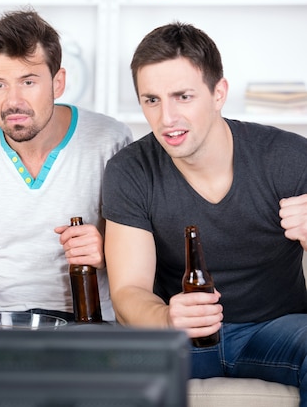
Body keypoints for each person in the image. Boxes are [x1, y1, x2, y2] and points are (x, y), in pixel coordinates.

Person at [102, 21, 307, 400]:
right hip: (177, 338)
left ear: (218, 93)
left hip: (277, 331)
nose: (167, 118)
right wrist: (165, 318)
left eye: (183, 96)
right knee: (90, 365)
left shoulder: (289, 158)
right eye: (152, 100)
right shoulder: (130, 170)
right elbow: (129, 291)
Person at [0, 9, 132, 327]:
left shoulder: (110, 139)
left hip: (80, 319)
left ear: (57, 82)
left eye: (28, 81)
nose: (13, 101)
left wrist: (105, 251)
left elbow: (134, 264)